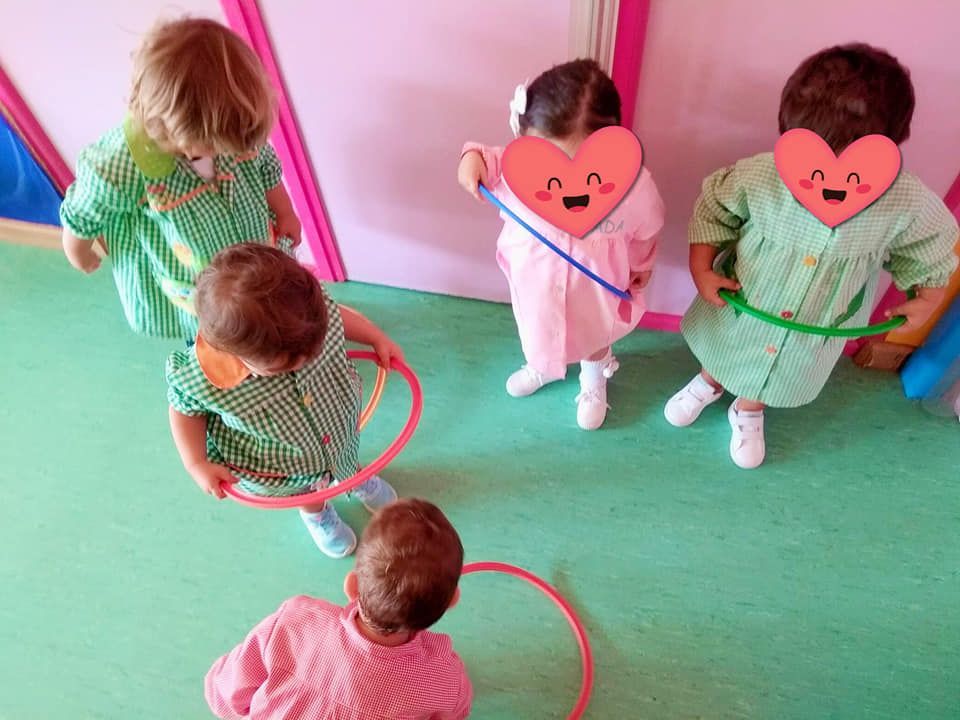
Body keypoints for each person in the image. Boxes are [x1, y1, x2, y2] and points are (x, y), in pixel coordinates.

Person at [664, 43, 959, 468]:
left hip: (818, 320)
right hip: (747, 302)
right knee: (726, 348)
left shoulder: (904, 201)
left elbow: (929, 246)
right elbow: (715, 207)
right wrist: (701, 267)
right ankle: (708, 382)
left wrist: (926, 297)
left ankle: (748, 408)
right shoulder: (761, 174)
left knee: (779, 367)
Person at [60, 17, 301, 341]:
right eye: (211, 147)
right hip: (194, 282)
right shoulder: (122, 162)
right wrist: (80, 255)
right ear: (172, 130)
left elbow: (266, 167)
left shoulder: (235, 123)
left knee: (261, 305)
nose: (221, 153)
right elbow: (82, 215)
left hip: (250, 250)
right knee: (212, 333)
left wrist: (284, 211)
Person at [458, 58, 665, 430]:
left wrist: (640, 268)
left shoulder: (634, 187)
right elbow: (487, 158)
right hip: (534, 279)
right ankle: (542, 365)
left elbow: (646, 230)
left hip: (595, 287)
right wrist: (471, 159)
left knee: (593, 335)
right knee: (537, 327)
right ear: (523, 141)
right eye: (546, 164)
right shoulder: (514, 165)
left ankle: (593, 379)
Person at [167, 244, 403, 557]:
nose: (305, 359)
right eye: (288, 363)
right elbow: (183, 409)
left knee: (344, 451)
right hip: (284, 459)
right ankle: (316, 513)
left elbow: (338, 316)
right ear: (234, 354)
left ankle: (354, 478)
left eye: (314, 349)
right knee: (307, 486)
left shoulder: (306, 314)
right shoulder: (206, 375)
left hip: (335, 419)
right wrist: (195, 462)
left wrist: (376, 337)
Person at [205, 498, 472, 719]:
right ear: (452, 601)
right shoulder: (442, 677)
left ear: (352, 585)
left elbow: (226, 690)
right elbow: (456, 712)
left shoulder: (296, 621)